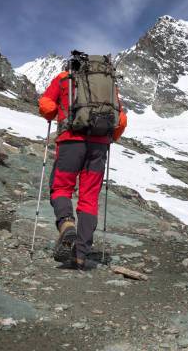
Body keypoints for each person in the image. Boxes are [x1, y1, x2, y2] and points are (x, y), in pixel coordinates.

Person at [38, 64, 127, 270]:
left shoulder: (64, 78)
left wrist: (53, 114)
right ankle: (80, 255)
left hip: (71, 142)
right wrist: (110, 137)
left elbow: (47, 106)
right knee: (89, 197)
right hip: (99, 147)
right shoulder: (107, 82)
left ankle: (66, 223)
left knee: (61, 187)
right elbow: (120, 119)